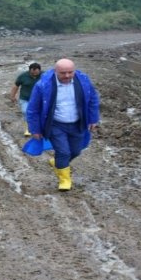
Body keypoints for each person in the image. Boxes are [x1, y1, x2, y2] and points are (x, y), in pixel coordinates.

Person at [27, 58, 100, 191]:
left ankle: (57, 163)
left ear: (74, 70)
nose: (67, 76)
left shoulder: (83, 81)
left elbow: (93, 100)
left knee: (76, 151)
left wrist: (93, 119)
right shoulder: (43, 85)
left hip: (78, 123)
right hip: (56, 124)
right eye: (63, 73)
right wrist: (35, 129)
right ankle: (64, 180)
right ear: (56, 71)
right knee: (63, 152)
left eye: (70, 72)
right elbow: (33, 108)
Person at [10, 62, 42, 136]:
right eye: (32, 73)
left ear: (39, 71)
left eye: (36, 73)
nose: (34, 75)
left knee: (39, 114)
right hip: (25, 98)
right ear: (29, 71)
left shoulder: (44, 75)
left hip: (39, 99)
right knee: (26, 112)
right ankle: (28, 129)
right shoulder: (23, 76)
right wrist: (12, 96)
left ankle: (38, 129)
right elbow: (15, 86)